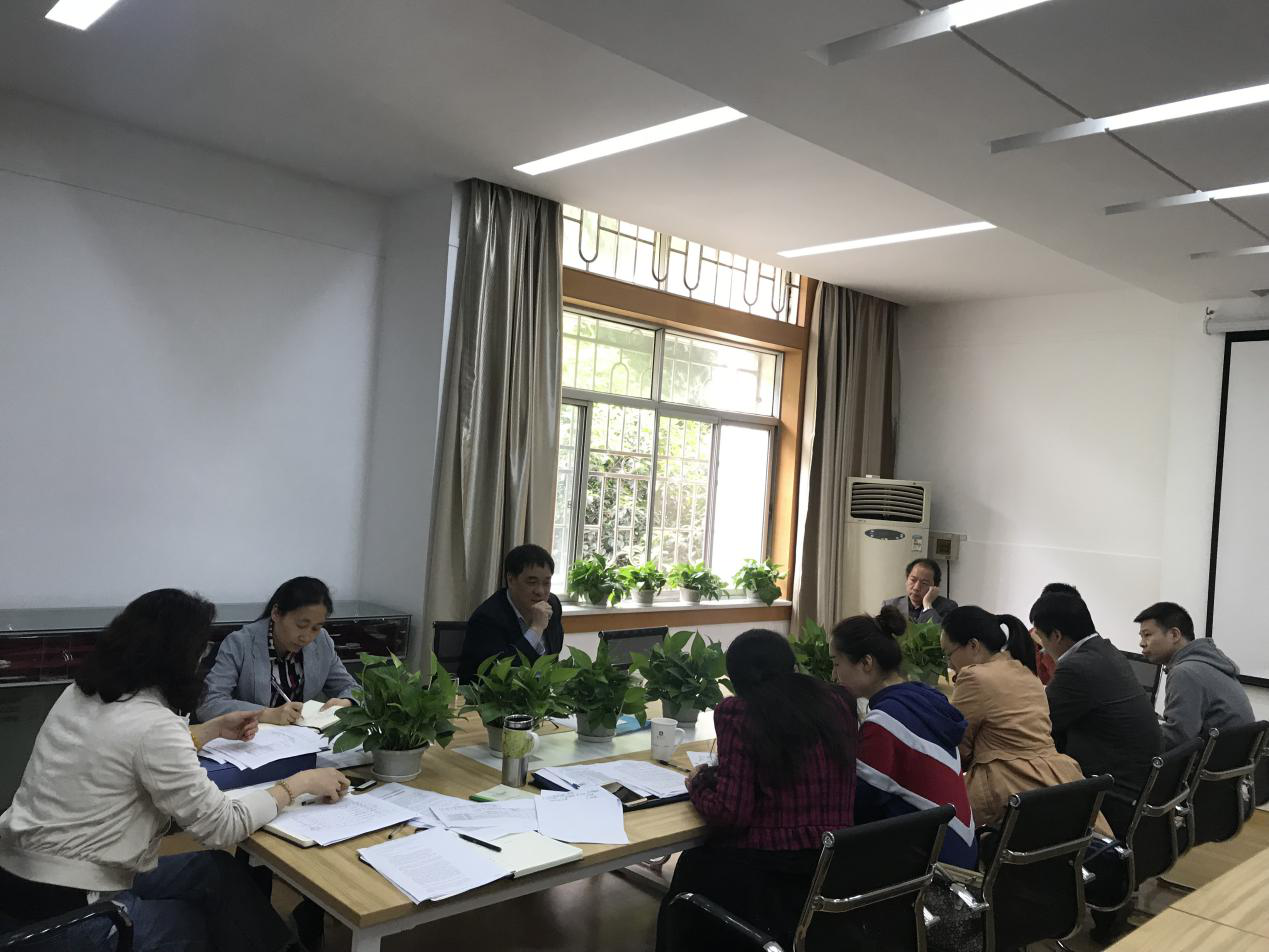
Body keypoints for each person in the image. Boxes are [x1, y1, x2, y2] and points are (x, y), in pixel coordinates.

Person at [0, 589, 349, 952]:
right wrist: (297, 785)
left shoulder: (83, 693)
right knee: (206, 925)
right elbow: (222, 825)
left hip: (20, 873)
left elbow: (130, 748)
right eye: (201, 649)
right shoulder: (155, 725)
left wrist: (210, 730)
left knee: (215, 871)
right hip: (70, 907)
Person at [657, 629, 857, 952]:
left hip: (769, 874)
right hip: (831, 866)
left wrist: (698, 784)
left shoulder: (739, 713)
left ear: (737, 681)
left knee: (693, 865)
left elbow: (730, 813)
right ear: (792, 667)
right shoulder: (837, 702)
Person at [831, 606, 978, 868]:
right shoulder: (926, 700)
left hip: (929, 867)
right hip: (961, 855)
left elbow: (854, 807)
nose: (834, 675)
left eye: (836, 663)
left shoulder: (885, 722)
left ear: (866, 663)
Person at [941, 605, 1096, 829]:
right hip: (1057, 779)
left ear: (973, 645)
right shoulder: (1025, 672)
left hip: (1007, 787)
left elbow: (957, 748)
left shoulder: (974, 677)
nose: (949, 664)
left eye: (949, 654)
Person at [1031, 591, 1161, 838]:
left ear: (1056, 636)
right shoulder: (1105, 650)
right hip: (1137, 787)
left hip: (1111, 794)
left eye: (1041, 639)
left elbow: (1039, 723)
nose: (1042, 648)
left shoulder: (1077, 667)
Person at [198, 576, 356, 724]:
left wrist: (346, 702)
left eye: (316, 628)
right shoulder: (240, 643)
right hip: (251, 737)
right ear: (276, 613)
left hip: (304, 736)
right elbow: (209, 704)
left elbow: (352, 688)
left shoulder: (322, 641)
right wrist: (265, 714)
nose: (307, 637)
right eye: (301, 625)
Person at [1135, 601, 1253, 750]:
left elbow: (1176, 738)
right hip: (1230, 757)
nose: (1142, 643)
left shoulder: (1185, 672)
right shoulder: (1207, 664)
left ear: (1174, 635)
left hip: (1208, 760)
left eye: (1147, 635)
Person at [459, 544, 564, 683]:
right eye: (532, 582)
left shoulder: (553, 605)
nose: (540, 591)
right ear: (511, 580)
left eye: (546, 583)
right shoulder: (487, 618)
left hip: (541, 692)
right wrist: (536, 629)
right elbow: (500, 675)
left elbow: (553, 659)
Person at [882, 558, 958, 625]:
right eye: (913, 580)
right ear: (907, 579)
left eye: (924, 583)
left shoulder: (948, 607)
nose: (916, 587)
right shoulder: (891, 605)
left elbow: (940, 633)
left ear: (935, 587)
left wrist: (927, 605)